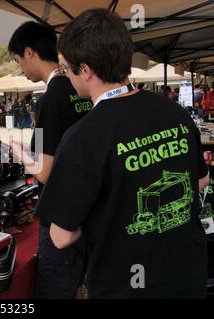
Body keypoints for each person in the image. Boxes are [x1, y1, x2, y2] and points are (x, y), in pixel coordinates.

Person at [36, 8, 209, 298]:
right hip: (187, 276)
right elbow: (201, 181)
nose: (66, 76)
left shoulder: (81, 138)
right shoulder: (174, 111)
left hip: (125, 287)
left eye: (66, 68)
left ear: (86, 70)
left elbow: (61, 235)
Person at [8, 21, 92, 299]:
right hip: (86, 211)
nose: (20, 67)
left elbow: (44, 172)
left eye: (19, 59)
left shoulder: (49, 98)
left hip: (59, 216)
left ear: (30, 52)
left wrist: (18, 152)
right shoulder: (79, 89)